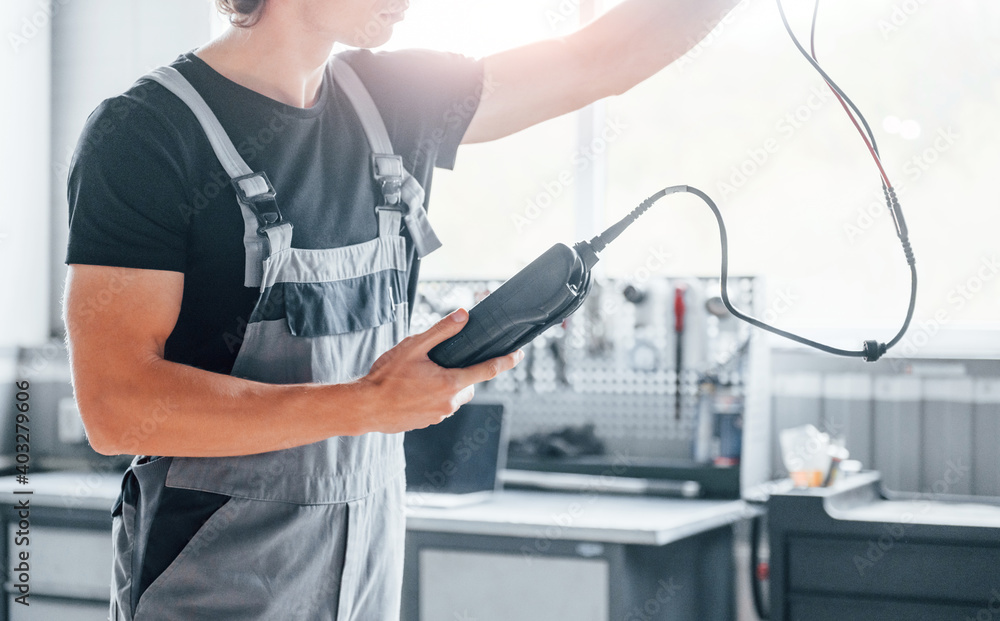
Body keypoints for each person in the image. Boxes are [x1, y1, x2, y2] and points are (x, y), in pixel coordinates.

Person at [63, 0, 739, 619]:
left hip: (365, 584)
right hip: (210, 588)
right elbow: (117, 405)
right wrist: (367, 403)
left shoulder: (389, 102)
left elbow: (598, 60)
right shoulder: (145, 134)